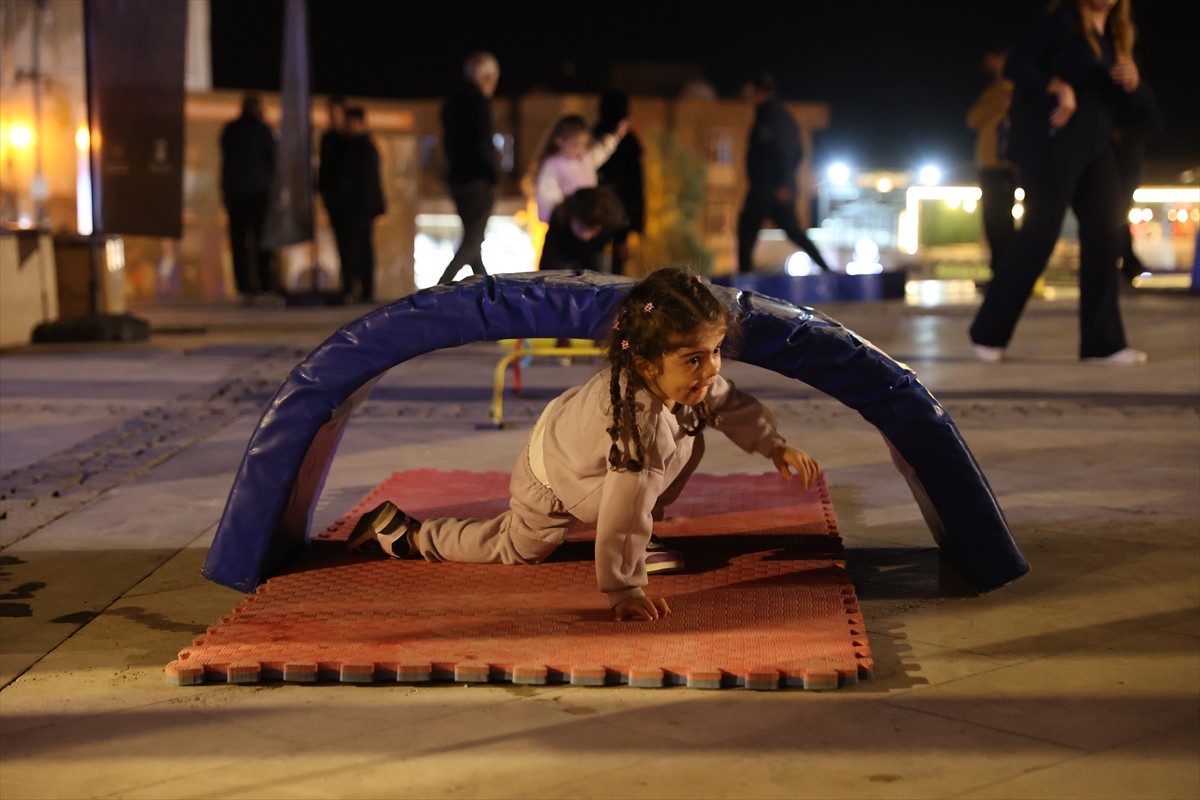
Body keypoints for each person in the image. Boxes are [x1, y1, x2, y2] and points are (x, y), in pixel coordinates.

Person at [346, 267, 821, 622]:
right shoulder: (639, 423)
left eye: (715, 352)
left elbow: (728, 401)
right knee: (518, 548)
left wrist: (774, 445)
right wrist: (625, 589)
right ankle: (407, 536)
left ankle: (637, 540)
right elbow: (624, 503)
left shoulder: (677, 384)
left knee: (693, 425)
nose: (712, 368)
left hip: (576, 445)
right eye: (694, 359)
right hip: (548, 479)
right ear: (650, 364)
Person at [969, 0, 1148, 365]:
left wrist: (1132, 84)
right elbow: (1017, 65)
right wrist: (1057, 85)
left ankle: (1103, 344)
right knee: (1041, 231)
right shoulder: (1063, 22)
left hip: (1095, 143)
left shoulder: (1115, 36)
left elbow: (1118, 106)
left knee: (1106, 233)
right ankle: (988, 333)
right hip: (1052, 137)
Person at [736, 72, 832, 275]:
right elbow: (795, 152)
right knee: (792, 231)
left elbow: (788, 151)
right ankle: (826, 269)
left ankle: (744, 280)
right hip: (770, 187)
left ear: (759, 91)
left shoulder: (773, 117)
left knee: (747, 231)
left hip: (768, 189)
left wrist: (785, 184)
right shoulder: (771, 116)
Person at [437, 52, 501, 285]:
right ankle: (441, 286)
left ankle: (486, 289)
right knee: (473, 240)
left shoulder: (452, 102)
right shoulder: (478, 103)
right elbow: (484, 141)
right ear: (486, 77)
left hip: (457, 178)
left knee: (474, 240)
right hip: (477, 178)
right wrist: (493, 174)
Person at [966, 45, 1018, 288]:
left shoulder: (1015, 89)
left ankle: (1008, 278)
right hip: (988, 165)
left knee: (1001, 223)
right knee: (992, 222)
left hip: (1004, 165)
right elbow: (972, 118)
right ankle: (1000, 276)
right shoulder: (995, 92)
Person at [219, 92, 277, 300]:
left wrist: (225, 191)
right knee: (262, 242)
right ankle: (263, 283)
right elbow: (272, 163)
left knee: (239, 242)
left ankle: (244, 286)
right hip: (260, 193)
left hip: (236, 193)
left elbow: (225, 163)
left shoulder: (231, 130)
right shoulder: (263, 131)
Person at [1111, 80, 1163, 284]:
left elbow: (1155, 123)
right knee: (1112, 213)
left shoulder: (1137, 89)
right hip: (1106, 160)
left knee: (1117, 212)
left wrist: (1124, 134)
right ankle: (1128, 261)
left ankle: (1128, 261)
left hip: (1125, 164)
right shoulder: (1103, 86)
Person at [534, 113, 626, 226]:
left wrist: (615, 137)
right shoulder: (553, 165)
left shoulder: (585, 159)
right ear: (559, 142)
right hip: (569, 222)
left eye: (583, 144)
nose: (580, 149)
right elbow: (547, 196)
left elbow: (601, 152)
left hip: (590, 216)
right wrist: (565, 215)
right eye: (575, 145)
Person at [594, 90, 646, 275]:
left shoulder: (596, 136)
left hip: (600, 213)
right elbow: (635, 186)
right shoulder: (624, 140)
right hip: (615, 213)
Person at [339, 107, 386, 302]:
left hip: (362, 207)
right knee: (353, 248)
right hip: (357, 207)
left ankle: (364, 289)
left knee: (362, 249)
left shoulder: (364, 147)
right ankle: (355, 288)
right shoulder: (359, 146)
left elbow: (368, 181)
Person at [538, 186, 627, 272]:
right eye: (581, 228)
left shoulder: (607, 223)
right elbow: (547, 267)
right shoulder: (559, 221)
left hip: (593, 251)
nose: (586, 235)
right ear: (572, 217)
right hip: (564, 254)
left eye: (592, 230)